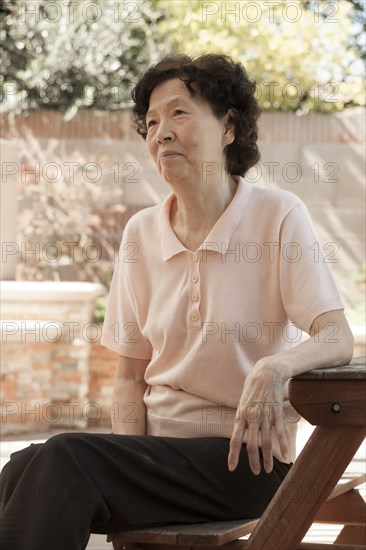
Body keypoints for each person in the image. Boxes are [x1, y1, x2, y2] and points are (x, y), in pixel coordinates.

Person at [0, 53, 354, 550]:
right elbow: (128, 376)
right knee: (23, 466)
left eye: (178, 113)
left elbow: (335, 336)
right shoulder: (140, 232)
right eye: (150, 122)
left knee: (62, 458)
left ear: (228, 127)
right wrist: (124, 471)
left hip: (246, 463)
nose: (160, 132)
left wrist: (276, 367)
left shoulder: (277, 215)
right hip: (156, 458)